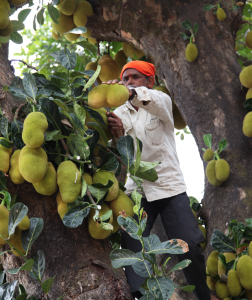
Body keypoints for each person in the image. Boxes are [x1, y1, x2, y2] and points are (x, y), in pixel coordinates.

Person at [104, 61, 217, 300]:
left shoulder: (160, 100)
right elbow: (119, 142)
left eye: (135, 77)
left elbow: (150, 100)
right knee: (132, 245)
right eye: (125, 79)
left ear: (149, 81)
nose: (129, 82)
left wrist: (131, 93)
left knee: (190, 244)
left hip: (169, 187)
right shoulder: (120, 111)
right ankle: (141, 296)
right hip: (138, 190)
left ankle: (203, 296)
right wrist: (109, 108)